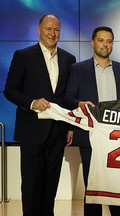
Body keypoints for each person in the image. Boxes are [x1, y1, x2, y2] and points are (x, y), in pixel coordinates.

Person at [4, 14, 76, 216]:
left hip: (58, 132)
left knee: (50, 185)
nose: (53, 34)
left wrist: (70, 126)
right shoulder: (23, 56)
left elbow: (68, 97)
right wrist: (32, 102)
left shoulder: (69, 59)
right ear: (39, 30)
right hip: (31, 132)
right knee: (31, 185)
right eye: (48, 29)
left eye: (56, 30)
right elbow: (10, 90)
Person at [63, 26, 120, 216]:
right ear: (93, 42)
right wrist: (80, 103)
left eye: (109, 41)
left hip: (117, 139)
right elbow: (68, 98)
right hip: (89, 136)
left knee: (117, 189)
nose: (105, 44)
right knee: (92, 188)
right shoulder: (78, 69)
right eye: (101, 40)